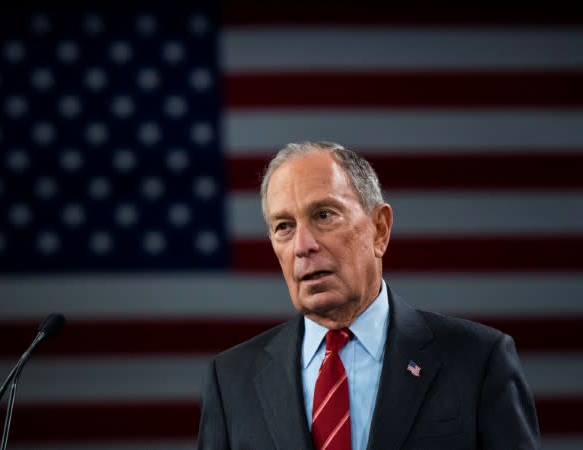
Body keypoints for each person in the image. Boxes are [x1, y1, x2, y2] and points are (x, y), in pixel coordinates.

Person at [197, 141, 540, 449]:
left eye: (324, 215)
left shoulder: (478, 360)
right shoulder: (231, 381)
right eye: (284, 226)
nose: (303, 246)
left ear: (379, 229)